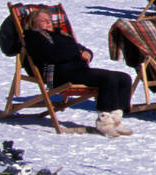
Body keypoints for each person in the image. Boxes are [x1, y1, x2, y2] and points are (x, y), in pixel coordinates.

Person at [25, 9, 134, 137]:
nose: (48, 23)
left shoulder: (60, 34)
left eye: (50, 20)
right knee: (108, 79)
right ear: (33, 23)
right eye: (43, 21)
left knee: (124, 78)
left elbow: (79, 48)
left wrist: (87, 52)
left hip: (79, 70)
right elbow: (53, 55)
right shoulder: (34, 37)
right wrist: (76, 52)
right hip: (61, 74)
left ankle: (115, 120)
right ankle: (104, 123)